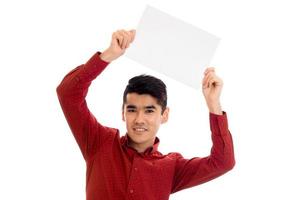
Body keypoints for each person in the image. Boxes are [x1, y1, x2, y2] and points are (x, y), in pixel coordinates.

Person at [56, 29, 235, 200]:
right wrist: (107, 55)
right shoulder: (99, 142)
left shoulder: (171, 166)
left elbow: (223, 162)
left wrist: (213, 104)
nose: (139, 119)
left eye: (149, 111)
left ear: (164, 115)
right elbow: (67, 94)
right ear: (123, 113)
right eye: (132, 110)